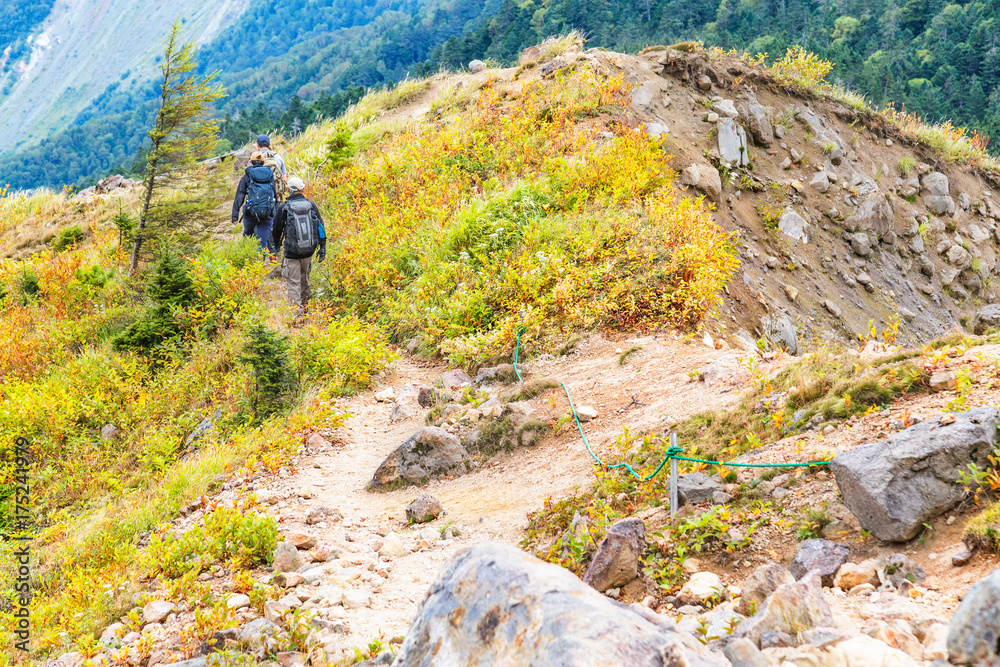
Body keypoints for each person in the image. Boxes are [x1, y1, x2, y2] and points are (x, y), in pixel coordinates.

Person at [271, 176, 326, 316]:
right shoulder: (311, 205)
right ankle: (307, 310)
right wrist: (322, 248)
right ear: (303, 189)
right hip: (308, 251)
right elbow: (320, 227)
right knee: (305, 280)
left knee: (293, 283)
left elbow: (276, 229)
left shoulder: (284, 207)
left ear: (288, 190)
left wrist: (275, 247)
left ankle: (298, 316)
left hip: (291, 253)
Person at [231, 151, 278, 254]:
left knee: (248, 238)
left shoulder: (247, 176)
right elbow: (274, 195)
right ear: (263, 162)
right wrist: (275, 214)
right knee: (262, 244)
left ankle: (247, 262)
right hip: (267, 213)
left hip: (250, 213)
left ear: (251, 162)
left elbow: (240, 196)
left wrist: (235, 216)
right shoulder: (269, 174)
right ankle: (260, 265)